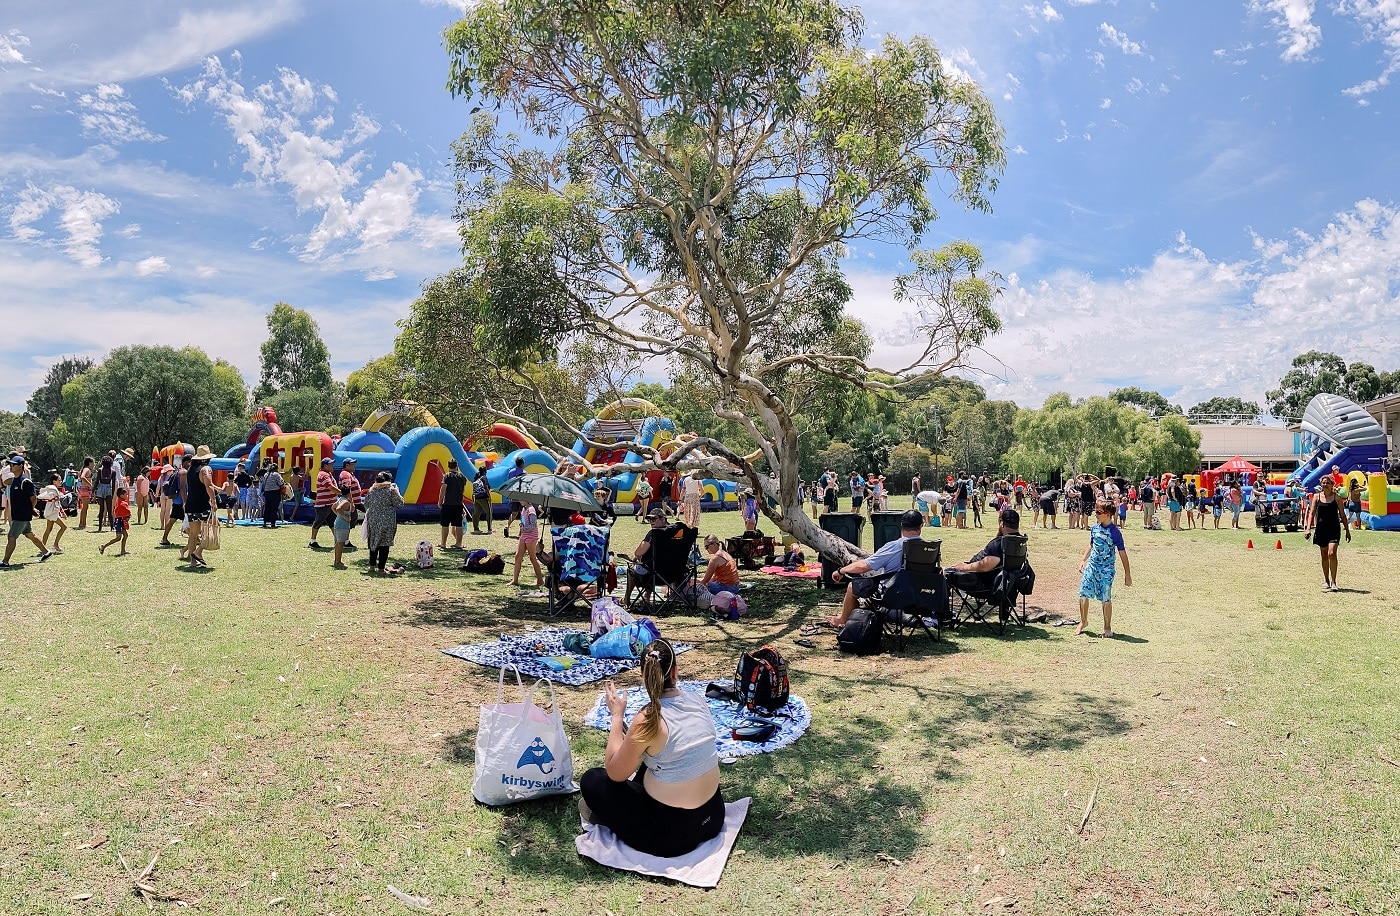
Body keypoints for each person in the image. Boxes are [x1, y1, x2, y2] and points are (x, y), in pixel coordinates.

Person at [579, 639, 725, 858]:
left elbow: (615, 774)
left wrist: (617, 716)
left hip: (673, 836)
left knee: (592, 780)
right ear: (674, 671)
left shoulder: (649, 718)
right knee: (660, 756)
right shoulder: (696, 700)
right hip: (713, 816)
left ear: (643, 674)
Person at [825, 509, 926, 628]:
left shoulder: (894, 546)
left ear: (901, 525)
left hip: (893, 594)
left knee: (853, 586)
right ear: (921, 526)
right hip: (920, 594)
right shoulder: (928, 547)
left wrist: (841, 570)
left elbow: (863, 567)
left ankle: (843, 620)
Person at [1077, 499, 1132, 637]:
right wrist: (1083, 560)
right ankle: (1083, 622)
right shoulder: (1095, 528)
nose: (1095, 514)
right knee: (1083, 594)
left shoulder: (1115, 532)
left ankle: (1107, 627)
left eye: (1098, 512)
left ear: (1107, 514)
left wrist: (1128, 574)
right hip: (1092, 567)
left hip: (1106, 570)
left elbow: (1122, 553)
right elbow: (1091, 544)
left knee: (1105, 598)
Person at [945, 508, 1022, 595]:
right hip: (1010, 586)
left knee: (947, 573)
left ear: (1002, 524)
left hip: (986, 586)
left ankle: (942, 608)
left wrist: (963, 567)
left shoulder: (1000, 544)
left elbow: (985, 566)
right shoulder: (1020, 542)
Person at [1, 456, 52, 566]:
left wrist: (31, 509)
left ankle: (5, 561)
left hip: (22, 515)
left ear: (20, 466)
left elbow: (33, 498)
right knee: (30, 534)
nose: (11, 466)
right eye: (10, 464)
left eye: (13, 464)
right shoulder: (14, 480)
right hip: (19, 514)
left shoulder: (25, 481)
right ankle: (46, 552)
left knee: (11, 536)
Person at [1305, 476, 1350, 591]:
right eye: (1323, 483)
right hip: (1321, 529)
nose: (1325, 485)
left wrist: (1347, 531)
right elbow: (1312, 513)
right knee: (1324, 555)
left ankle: (1334, 582)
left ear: (1332, 484)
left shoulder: (1337, 497)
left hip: (1334, 528)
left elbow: (1343, 515)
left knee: (1332, 553)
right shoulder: (1316, 497)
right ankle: (1326, 580)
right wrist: (1308, 528)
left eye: (1327, 483)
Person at [363, 471, 406, 575]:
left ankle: (372, 566)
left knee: (373, 542)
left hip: (373, 520)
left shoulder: (371, 490)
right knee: (385, 544)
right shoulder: (391, 490)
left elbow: (366, 504)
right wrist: (398, 492)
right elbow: (400, 504)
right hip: (387, 520)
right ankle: (381, 568)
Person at [181, 447, 218, 568]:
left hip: (191, 505)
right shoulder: (206, 469)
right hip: (203, 505)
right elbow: (209, 486)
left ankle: (193, 561)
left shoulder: (191, 469)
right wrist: (213, 501)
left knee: (193, 534)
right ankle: (198, 551)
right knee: (212, 528)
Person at [308, 458, 339, 549]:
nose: (332, 466)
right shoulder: (324, 475)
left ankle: (338, 541)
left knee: (333, 523)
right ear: (325, 465)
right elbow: (331, 487)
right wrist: (342, 492)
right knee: (318, 522)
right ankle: (312, 541)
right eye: (331, 464)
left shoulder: (327, 474)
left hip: (330, 503)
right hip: (324, 504)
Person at [510, 500, 543, 587]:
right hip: (524, 535)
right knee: (518, 556)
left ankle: (540, 580)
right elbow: (524, 521)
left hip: (531, 536)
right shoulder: (524, 509)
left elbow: (533, 525)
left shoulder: (531, 509)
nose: (520, 501)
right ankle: (515, 580)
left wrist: (524, 528)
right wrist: (521, 526)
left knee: (532, 558)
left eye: (522, 499)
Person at [438, 459, 468, 550]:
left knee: (445, 524)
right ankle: (458, 543)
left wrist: (440, 501)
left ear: (449, 466)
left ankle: (443, 543)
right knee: (458, 524)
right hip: (458, 504)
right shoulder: (462, 477)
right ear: (457, 466)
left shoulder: (447, 476)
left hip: (448, 504)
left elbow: (443, 488)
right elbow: (462, 491)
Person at [39, 473, 67, 554]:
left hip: (53, 511)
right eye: (59, 480)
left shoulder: (54, 490)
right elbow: (44, 498)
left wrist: (62, 512)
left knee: (49, 529)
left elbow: (58, 503)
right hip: (52, 512)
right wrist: (53, 499)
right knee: (63, 527)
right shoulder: (51, 489)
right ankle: (55, 544)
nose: (61, 482)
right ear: (54, 481)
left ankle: (43, 547)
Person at [99, 486, 132, 556]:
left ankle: (123, 551)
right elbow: (126, 511)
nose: (127, 495)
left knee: (125, 535)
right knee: (118, 538)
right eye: (126, 494)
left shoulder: (120, 501)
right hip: (119, 521)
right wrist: (128, 514)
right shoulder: (121, 503)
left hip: (121, 521)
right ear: (121, 495)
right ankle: (103, 546)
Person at [337, 458, 363, 548]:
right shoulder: (345, 474)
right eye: (352, 464)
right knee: (349, 521)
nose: (354, 466)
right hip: (351, 503)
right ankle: (344, 541)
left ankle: (346, 541)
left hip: (356, 502)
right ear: (347, 465)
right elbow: (347, 489)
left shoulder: (349, 474)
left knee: (352, 520)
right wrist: (351, 503)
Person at [160, 458, 185, 547]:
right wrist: (185, 501)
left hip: (176, 500)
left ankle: (164, 538)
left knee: (172, 519)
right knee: (187, 521)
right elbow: (182, 488)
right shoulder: (183, 473)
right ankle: (196, 539)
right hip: (181, 501)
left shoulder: (176, 474)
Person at [330, 485, 354, 569]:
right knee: (340, 544)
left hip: (337, 522)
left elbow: (333, 507)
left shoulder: (340, 499)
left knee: (338, 543)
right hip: (342, 524)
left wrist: (339, 515)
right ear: (349, 493)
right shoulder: (345, 501)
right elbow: (338, 508)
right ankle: (338, 561)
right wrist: (345, 517)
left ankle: (337, 560)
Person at [502, 456, 527, 536]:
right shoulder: (524, 473)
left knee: (514, 513)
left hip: (513, 495)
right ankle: (521, 532)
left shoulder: (511, 472)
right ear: (522, 464)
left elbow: (509, 482)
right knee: (523, 514)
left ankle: (507, 526)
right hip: (521, 496)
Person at [93, 455, 118, 533]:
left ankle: (100, 527)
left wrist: (93, 490)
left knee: (101, 509)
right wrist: (113, 492)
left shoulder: (100, 470)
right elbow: (113, 483)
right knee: (110, 509)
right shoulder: (113, 471)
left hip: (101, 489)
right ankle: (112, 527)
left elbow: (97, 481)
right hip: (108, 489)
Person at [258, 461, 285, 529]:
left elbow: (263, 483)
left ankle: (265, 522)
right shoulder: (276, 474)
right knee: (274, 508)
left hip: (267, 492)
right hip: (275, 492)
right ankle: (273, 523)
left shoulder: (266, 474)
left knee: (267, 508)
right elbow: (281, 483)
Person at [472, 463, 494, 534]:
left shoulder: (477, 477)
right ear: (485, 471)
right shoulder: (484, 478)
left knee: (476, 514)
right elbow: (486, 487)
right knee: (489, 512)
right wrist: (489, 496)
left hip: (476, 498)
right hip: (483, 498)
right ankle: (489, 529)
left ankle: (476, 529)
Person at [75, 456, 95, 530]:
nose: (94, 464)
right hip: (85, 489)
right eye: (93, 463)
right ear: (89, 463)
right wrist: (90, 484)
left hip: (84, 489)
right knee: (84, 508)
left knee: (85, 507)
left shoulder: (84, 469)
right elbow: (83, 477)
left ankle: (83, 523)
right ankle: (82, 524)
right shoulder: (86, 469)